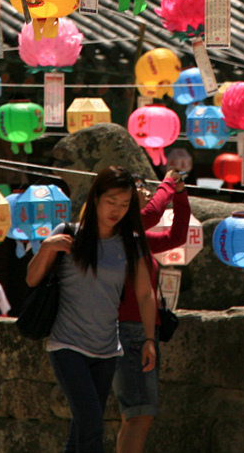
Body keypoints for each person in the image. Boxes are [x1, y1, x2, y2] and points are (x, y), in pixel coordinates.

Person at [27, 166, 158, 453]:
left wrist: (150, 339)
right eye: (112, 201)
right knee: (92, 425)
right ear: (96, 198)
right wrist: (48, 247)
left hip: (107, 349)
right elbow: (32, 278)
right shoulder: (68, 233)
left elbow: (145, 294)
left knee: (82, 429)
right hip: (67, 345)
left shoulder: (131, 243)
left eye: (125, 205)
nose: (117, 210)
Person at [114, 168, 189, 453]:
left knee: (135, 415)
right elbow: (151, 215)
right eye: (141, 187)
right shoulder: (120, 229)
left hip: (141, 329)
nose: (148, 191)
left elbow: (176, 236)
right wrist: (168, 184)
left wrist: (180, 196)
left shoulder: (135, 237)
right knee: (140, 414)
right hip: (128, 328)